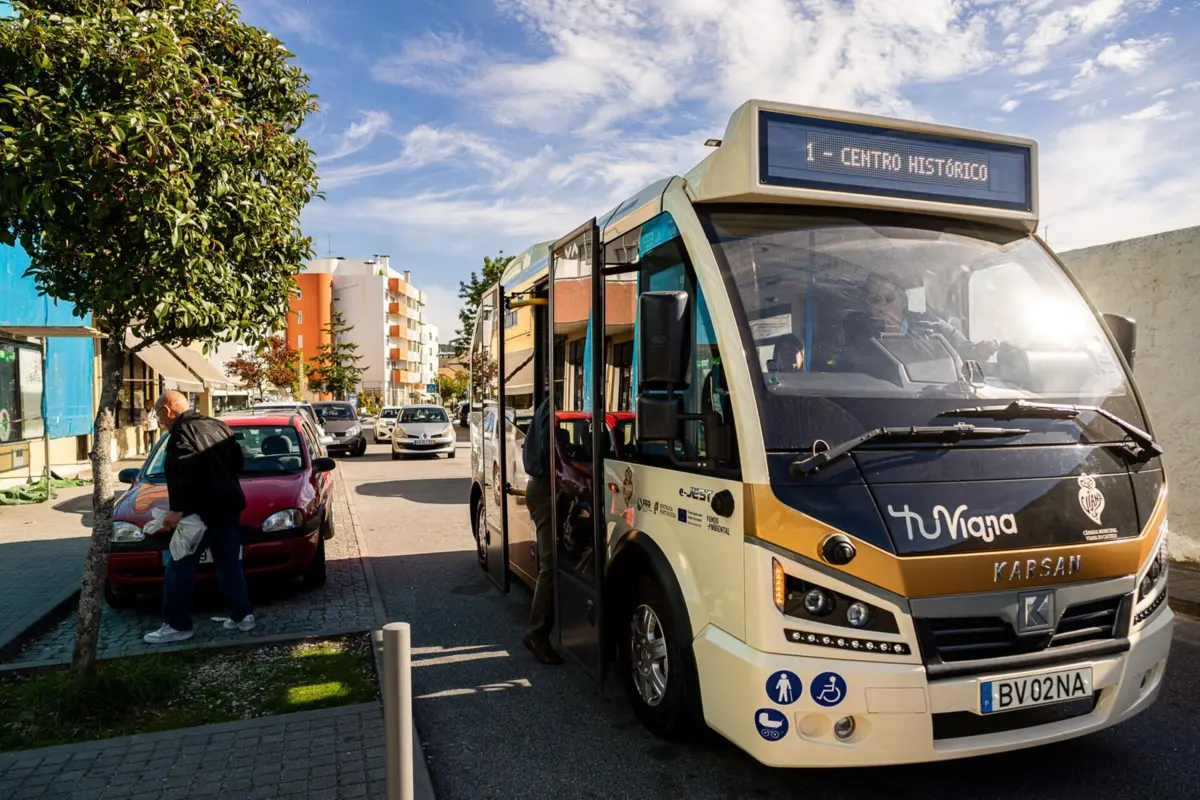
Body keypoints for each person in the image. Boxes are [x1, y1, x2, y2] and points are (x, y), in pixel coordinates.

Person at [143, 391, 255, 644]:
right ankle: (242, 615)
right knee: (228, 563)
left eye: (158, 412)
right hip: (228, 507)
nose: (159, 418)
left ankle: (176, 625)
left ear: (169, 410)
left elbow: (189, 474)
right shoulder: (216, 424)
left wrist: (178, 511)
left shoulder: (180, 434)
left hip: (200, 514)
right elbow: (238, 461)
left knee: (179, 566)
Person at [855, 271, 998, 362]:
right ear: (868, 306)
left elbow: (964, 350)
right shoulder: (857, 329)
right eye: (875, 300)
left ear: (903, 301)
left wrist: (980, 350)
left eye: (889, 298)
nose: (882, 306)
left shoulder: (932, 324)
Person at [522, 390, 562, 665]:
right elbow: (554, 453)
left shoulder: (550, 404)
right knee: (550, 564)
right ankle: (537, 634)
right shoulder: (556, 408)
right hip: (545, 489)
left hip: (544, 487)